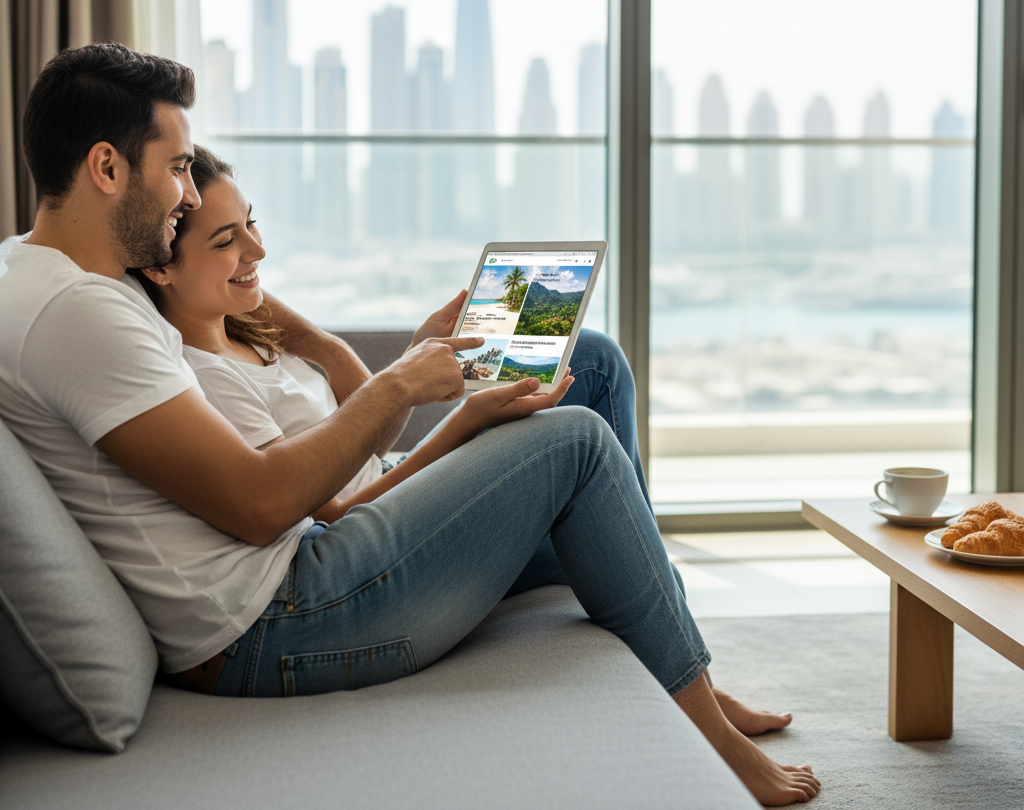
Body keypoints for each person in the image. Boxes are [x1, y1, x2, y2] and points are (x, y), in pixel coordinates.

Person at [0, 44, 819, 806]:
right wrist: (397, 388)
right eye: (177, 168)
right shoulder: (79, 312)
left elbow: (221, 281)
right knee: (574, 443)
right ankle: (704, 728)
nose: (184, 193)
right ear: (106, 166)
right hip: (277, 618)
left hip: (289, 584)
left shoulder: (61, 271)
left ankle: (687, 671)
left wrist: (319, 340)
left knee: (590, 365)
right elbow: (256, 505)